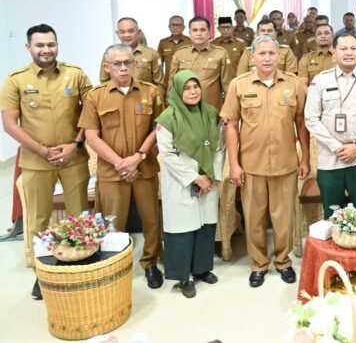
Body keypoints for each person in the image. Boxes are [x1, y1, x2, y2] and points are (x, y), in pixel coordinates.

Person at [0, 24, 92, 300]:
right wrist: (42, 150)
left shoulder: (75, 75)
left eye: (50, 44)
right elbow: (9, 124)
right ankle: (44, 275)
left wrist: (75, 144)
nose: (46, 50)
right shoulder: (15, 80)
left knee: (80, 217)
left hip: (73, 158)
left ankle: (81, 265)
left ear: (57, 45)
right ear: (28, 47)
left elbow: (91, 112)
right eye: (39, 45)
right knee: (38, 222)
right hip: (36, 161)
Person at [222, 35, 310, 287]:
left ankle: (283, 262)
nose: (267, 58)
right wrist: (234, 164)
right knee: (254, 217)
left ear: (279, 56)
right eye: (262, 54)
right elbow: (231, 127)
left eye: (272, 53)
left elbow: (302, 124)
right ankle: (258, 264)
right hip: (251, 164)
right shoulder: (239, 85)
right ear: (252, 57)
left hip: (285, 163)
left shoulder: (293, 85)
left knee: (283, 218)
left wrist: (305, 157)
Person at [80, 44, 164, 289]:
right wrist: (121, 163)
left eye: (128, 62)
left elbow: (158, 127)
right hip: (112, 171)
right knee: (113, 221)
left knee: (151, 220)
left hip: (144, 167)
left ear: (135, 64)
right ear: (107, 67)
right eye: (117, 63)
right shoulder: (96, 96)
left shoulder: (150, 92)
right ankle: (114, 264)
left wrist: (137, 157)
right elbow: (91, 136)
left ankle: (150, 263)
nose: (124, 67)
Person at [156, 70, 225, 298]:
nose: (193, 92)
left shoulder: (211, 113)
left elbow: (220, 147)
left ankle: (202, 269)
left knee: (205, 225)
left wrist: (210, 175)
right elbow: (168, 155)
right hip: (181, 182)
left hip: (208, 179)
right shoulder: (168, 118)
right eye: (186, 88)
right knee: (183, 229)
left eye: (196, 87)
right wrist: (195, 178)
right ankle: (184, 276)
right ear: (177, 90)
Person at [304, 33, 356, 217]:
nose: (349, 53)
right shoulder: (320, 80)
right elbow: (311, 119)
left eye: (353, 48)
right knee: (332, 215)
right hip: (331, 159)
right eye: (343, 49)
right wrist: (337, 147)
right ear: (334, 51)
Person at [168, 16, 234, 111]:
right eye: (195, 30)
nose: (199, 33)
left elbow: (227, 86)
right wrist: (171, 107)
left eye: (203, 30)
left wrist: (228, 111)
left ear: (209, 33)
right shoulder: (180, 54)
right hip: (185, 110)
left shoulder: (221, 53)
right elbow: (172, 84)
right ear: (190, 33)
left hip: (212, 110)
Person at [100, 17, 164, 97]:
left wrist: (158, 104)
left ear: (138, 32)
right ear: (117, 34)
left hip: (145, 101)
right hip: (116, 100)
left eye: (130, 31)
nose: (126, 35)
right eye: (122, 32)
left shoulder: (152, 54)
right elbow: (104, 81)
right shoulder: (109, 54)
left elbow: (159, 84)